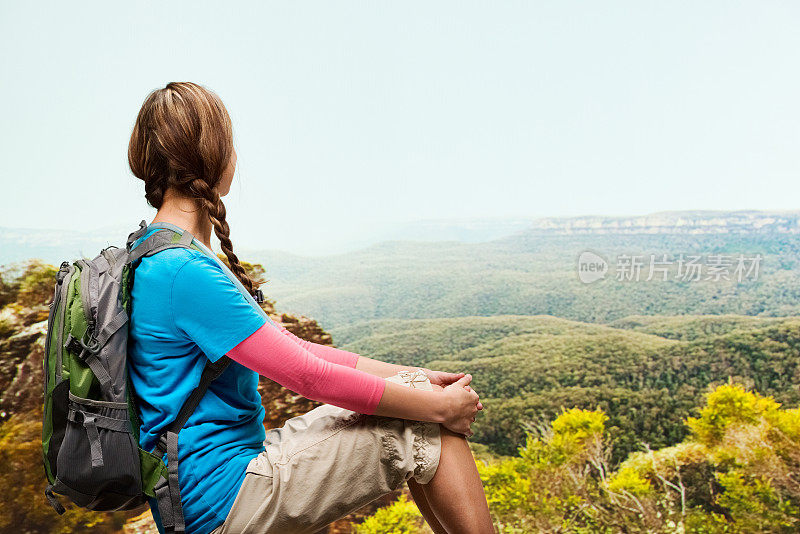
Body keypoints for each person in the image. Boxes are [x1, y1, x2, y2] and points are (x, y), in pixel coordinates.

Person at [126, 81, 494, 534]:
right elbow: (306, 375)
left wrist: (417, 380)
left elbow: (294, 349)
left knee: (418, 398)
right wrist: (437, 409)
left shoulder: (155, 252)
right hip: (222, 502)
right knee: (421, 424)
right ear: (216, 155)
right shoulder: (184, 271)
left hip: (204, 493)